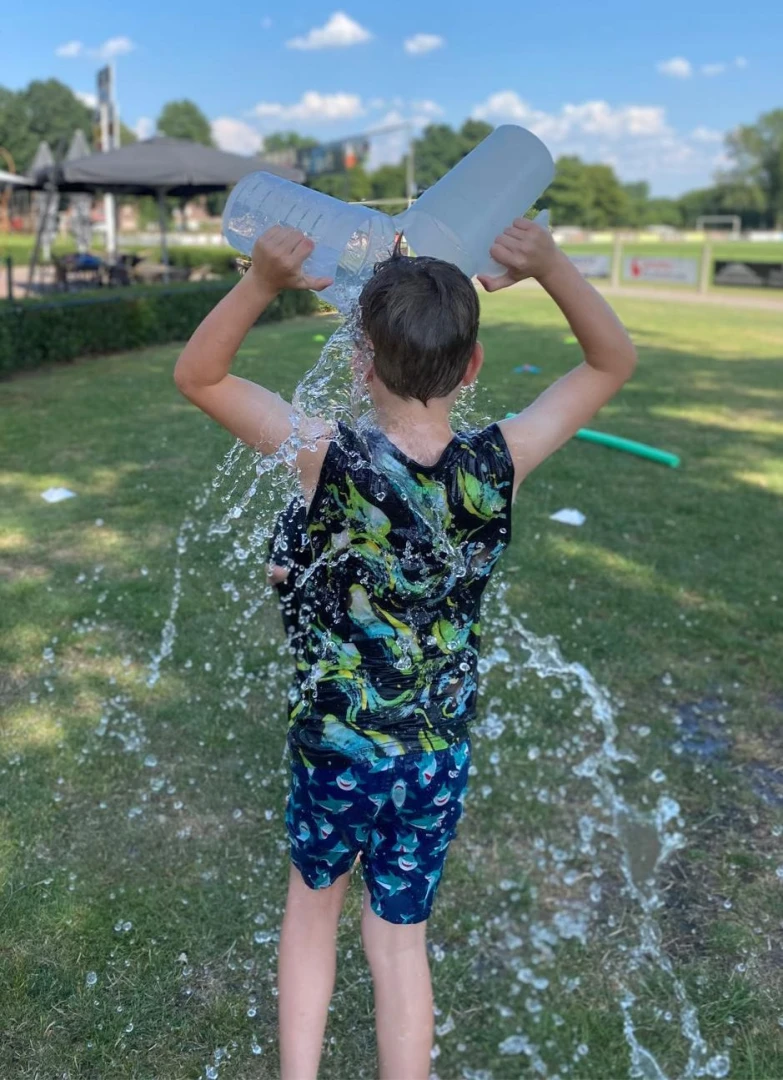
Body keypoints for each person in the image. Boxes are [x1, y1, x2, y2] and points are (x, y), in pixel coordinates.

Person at [174, 219, 636, 1079]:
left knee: (313, 914)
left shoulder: (322, 454)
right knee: (399, 944)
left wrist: (262, 282)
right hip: (433, 755)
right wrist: (547, 266)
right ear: (472, 368)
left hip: (334, 748)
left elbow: (199, 375)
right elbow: (611, 362)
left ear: (359, 361)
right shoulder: (499, 462)